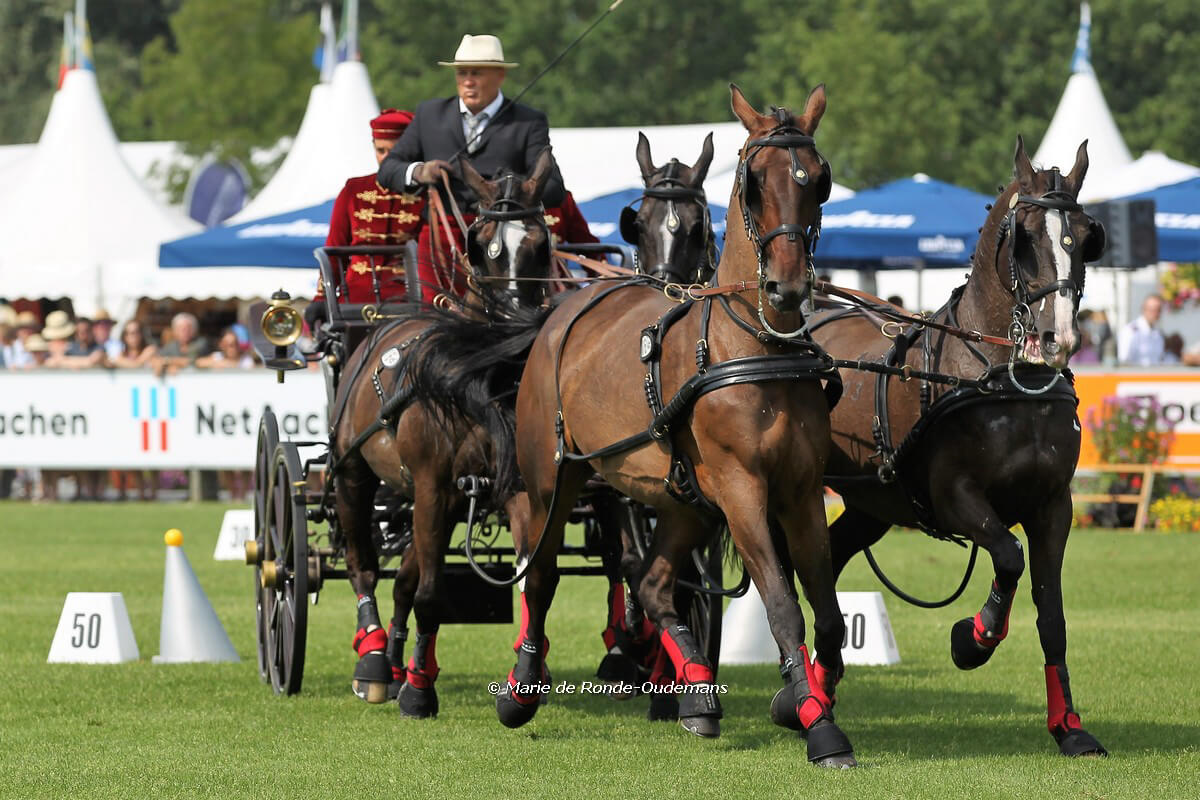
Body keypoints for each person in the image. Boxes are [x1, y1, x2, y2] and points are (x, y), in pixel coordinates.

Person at [377, 33, 567, 303]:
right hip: (442, 243)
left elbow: (554, 188)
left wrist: (511, 191)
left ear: (500, 75)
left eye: (476, 73)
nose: (467, 81)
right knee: (435, 323)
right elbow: (388, 170)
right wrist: (420, 171)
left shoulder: (528, 122)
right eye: (462, 73)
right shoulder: (429, 115)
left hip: (504, 248)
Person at [319, 108, 426, 306]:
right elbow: (334, 247)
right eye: (380, 151)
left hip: (410, 300)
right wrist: (321, 297)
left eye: (393, 152)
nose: (386, 159)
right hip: (355, 297)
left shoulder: (425, 194)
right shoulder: (354, 190)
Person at [152, 312, 211, 376]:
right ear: (175, 330)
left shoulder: (201, 343)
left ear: (194, 330)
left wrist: (169, 362)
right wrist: (165, 365)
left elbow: (190, 361)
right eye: (181, 328)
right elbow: (158, 359)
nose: (185, 331)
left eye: (189, 328)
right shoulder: (171, 345)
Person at [1117, 294, 1166, 366]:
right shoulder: (1130, 331)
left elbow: (1160, 359)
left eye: (1158, 310)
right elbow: (1124, 360)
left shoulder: (1158, 333)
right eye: (1152, 309)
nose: (1155, 313)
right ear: (1143, 309)